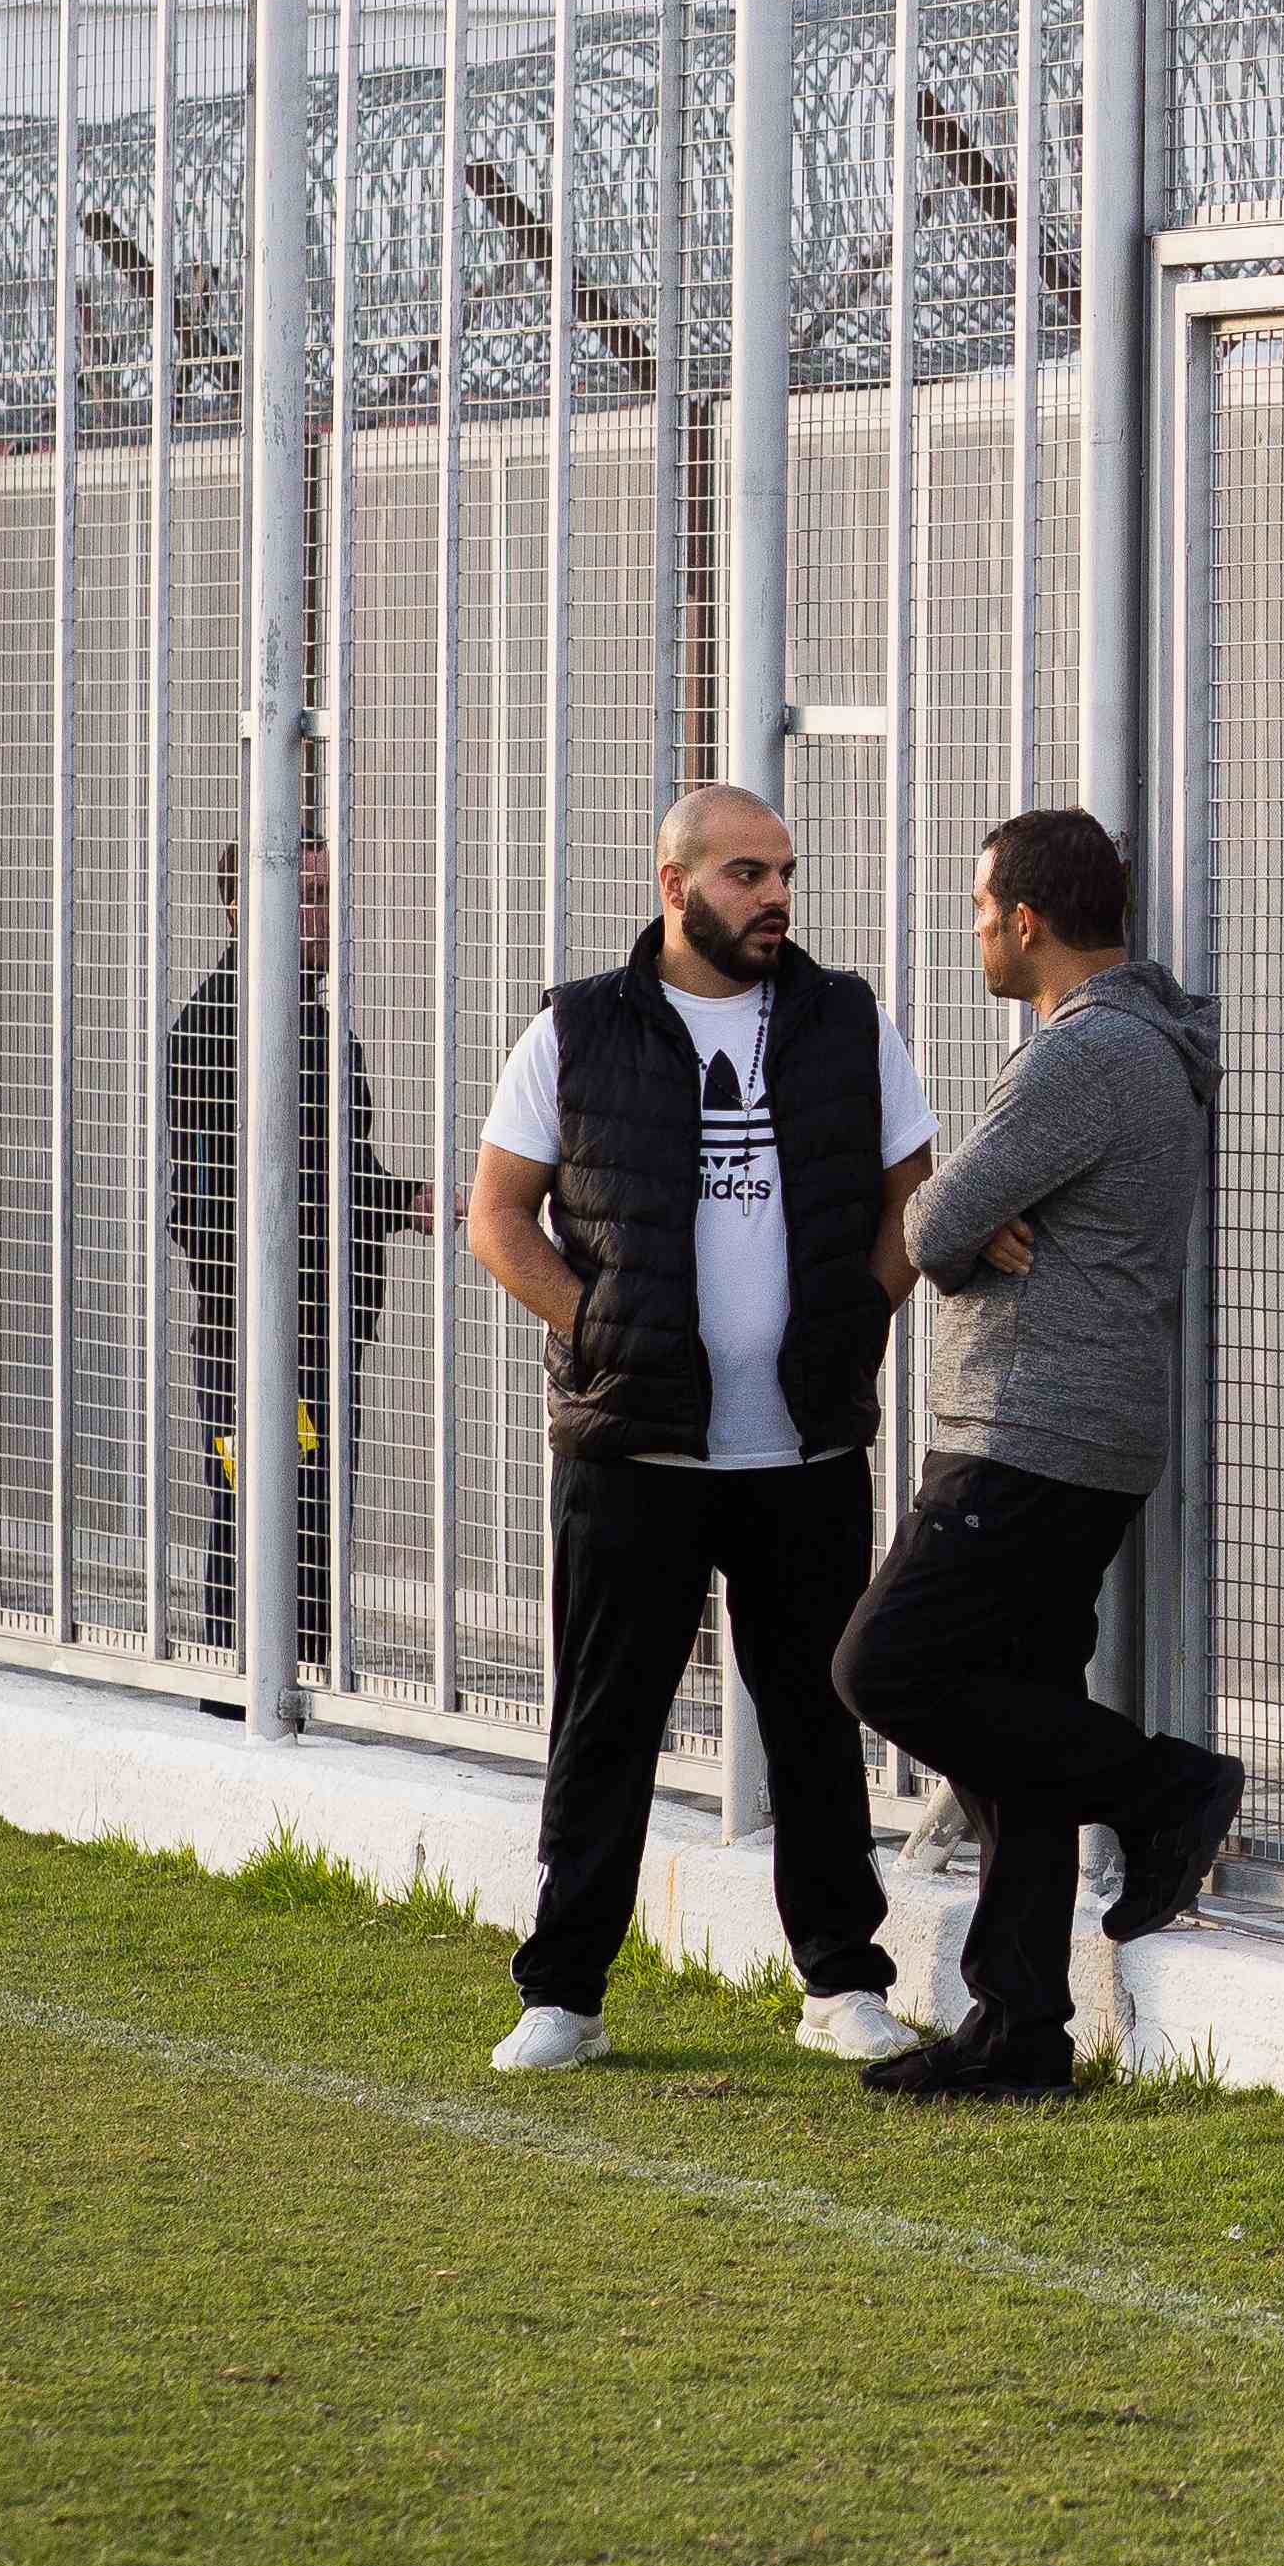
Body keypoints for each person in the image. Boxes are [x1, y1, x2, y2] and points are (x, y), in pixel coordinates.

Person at [463, 782, 940, 2077]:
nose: (776, 896)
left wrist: (860, 1309)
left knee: (814, 1718)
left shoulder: (848, 1022)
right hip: (633, 1450)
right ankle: (563, 1995)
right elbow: (497, 1214)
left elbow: (913, 1188)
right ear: (673, 885)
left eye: (784, 871)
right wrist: (595, 1321)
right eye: (746, 874)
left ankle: (842, 1981)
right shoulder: (577, 1030)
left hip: (804, 1450)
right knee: (605, 1722)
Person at [831, 807, 1248, 2099]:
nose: (972, 932)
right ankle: (1021, 2032)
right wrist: (986, 1216)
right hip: (1081, 1430)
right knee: (1013, 1732)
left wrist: (972, 1217)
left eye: (978, 909)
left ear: (1026, 918)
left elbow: (935, 1222)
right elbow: (968, 1219)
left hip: (1029, 1431)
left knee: (884, 1666)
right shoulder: (1139, 1046)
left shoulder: (1080, 1056)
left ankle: (1170, 1787)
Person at [159, 833, 426, 1686]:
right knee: (258, 1512)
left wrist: (411, 1201)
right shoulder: (213, 1028)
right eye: (303, 892)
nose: (320, 913)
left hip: (322, 1335)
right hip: (257, 1345)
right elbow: (205, 1204)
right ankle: (242, 1692)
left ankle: (295, 1689)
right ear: (241, 905)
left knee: (309, 1522)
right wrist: (260, 1310)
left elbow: (336, 1174)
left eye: (323, 892)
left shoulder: (313, 1026)